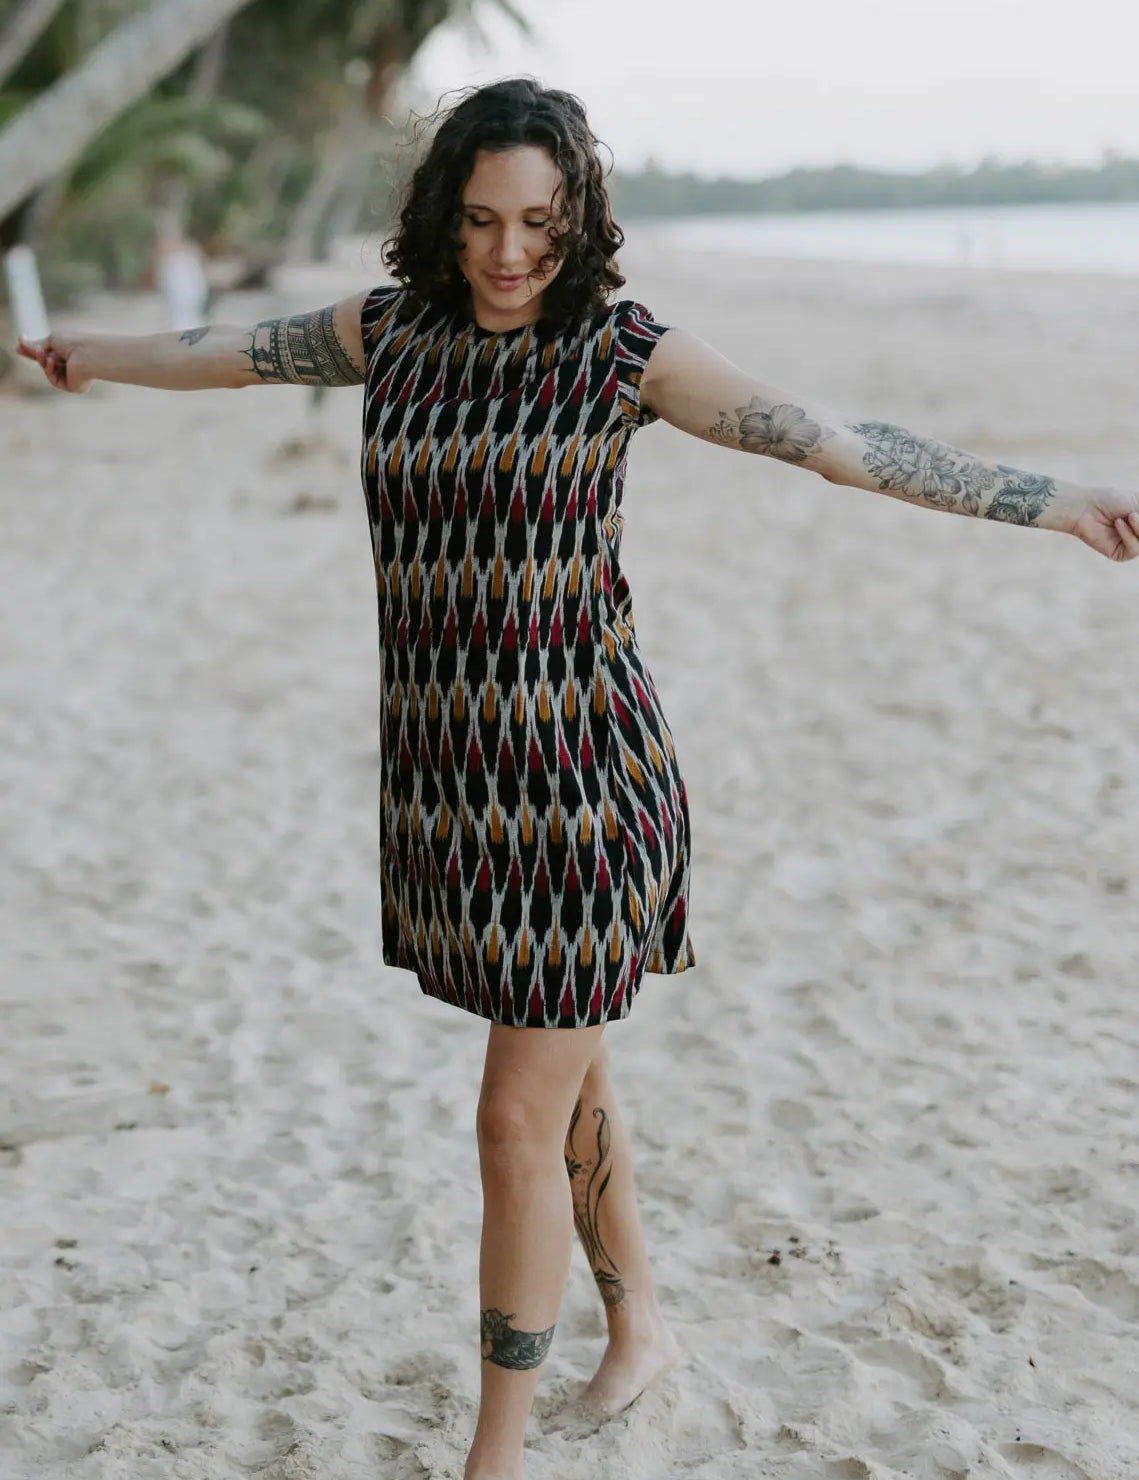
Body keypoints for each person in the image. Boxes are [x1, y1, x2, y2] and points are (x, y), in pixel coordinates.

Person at [17, 76, 1139, 1480]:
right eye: (482, 221)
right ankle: (644, 1324)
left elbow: (834, 444)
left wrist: (1048, 499)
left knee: (509, 1119)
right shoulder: (393, 334)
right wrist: (87, 355)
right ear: (443, 217)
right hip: (452, 792)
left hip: (585, 789)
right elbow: (228, 351)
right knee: (567, 1081)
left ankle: (495, 1457)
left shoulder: (620, 352)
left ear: (579, 220)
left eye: (539, 225)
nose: (506, 255)